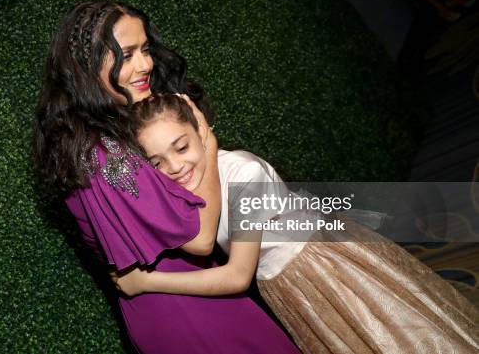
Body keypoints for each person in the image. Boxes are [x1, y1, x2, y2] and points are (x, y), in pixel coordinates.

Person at [113, 93, 479, 354]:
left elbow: (238, 275)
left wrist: (146, 281)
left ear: (203, 132)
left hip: (323, 271)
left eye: (182, 147)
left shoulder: (243, 173)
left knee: (399, 339)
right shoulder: (190, 189)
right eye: (158, 163)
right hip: (291, 286)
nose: (176, 168)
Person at [32, 0, 300, 354]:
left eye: (144, 49)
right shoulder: (104, 152)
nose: (145, 64)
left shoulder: (89, 140)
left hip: (173, 304)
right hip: (193, 314)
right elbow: (201, 237)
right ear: (87, 66)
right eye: (126, 54)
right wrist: (205, 142)